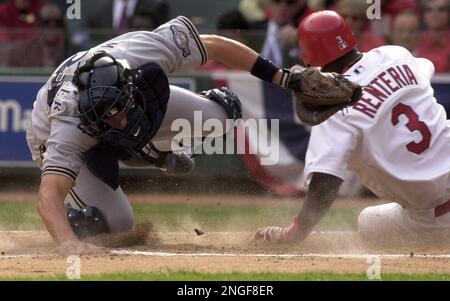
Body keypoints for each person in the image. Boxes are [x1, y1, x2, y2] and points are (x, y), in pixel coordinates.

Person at [26, 15, 354, 255]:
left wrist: (285, 79)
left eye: (121, 112)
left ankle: (149, 152)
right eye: (108, 119)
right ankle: (107, 186)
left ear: (130, 86)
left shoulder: (141, 51)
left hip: (123, 100)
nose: (121, 122)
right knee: (114, 224)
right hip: (55, 134)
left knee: (222, 116)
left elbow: (213, 45)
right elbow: (48, 195)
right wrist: (68, 244)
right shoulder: (70, 123)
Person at [254, 10, 450, 246]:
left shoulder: (334, 110)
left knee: (369, 223)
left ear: (309, 58)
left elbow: (325, 182)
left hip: (437, 216)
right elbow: (424, 64)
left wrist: (295, 233)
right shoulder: (396, 54)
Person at [417, 0, 450, 74]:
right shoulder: (415, 40)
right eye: (429, 9)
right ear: (423, 15)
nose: (435, 14)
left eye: (441, 9)